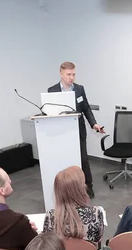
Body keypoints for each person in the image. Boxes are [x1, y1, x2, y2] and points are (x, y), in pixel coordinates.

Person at [48, 61, 104, 199]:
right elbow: (49, 112)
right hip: (61, 133)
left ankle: (88, 186)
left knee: (83, 159)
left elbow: (86, 108)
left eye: (73, 74)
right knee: (64, 161)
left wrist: (94, 124)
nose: (71, 77)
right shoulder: (52, 90)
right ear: (61, 74)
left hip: (78, 130)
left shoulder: (79, 89)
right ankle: (67, 189)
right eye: (68, 74)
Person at [43, 166, 104, 250]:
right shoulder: (95, 212)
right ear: (81, 189)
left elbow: (47, 243)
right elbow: (98, 239)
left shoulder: (50, 215)